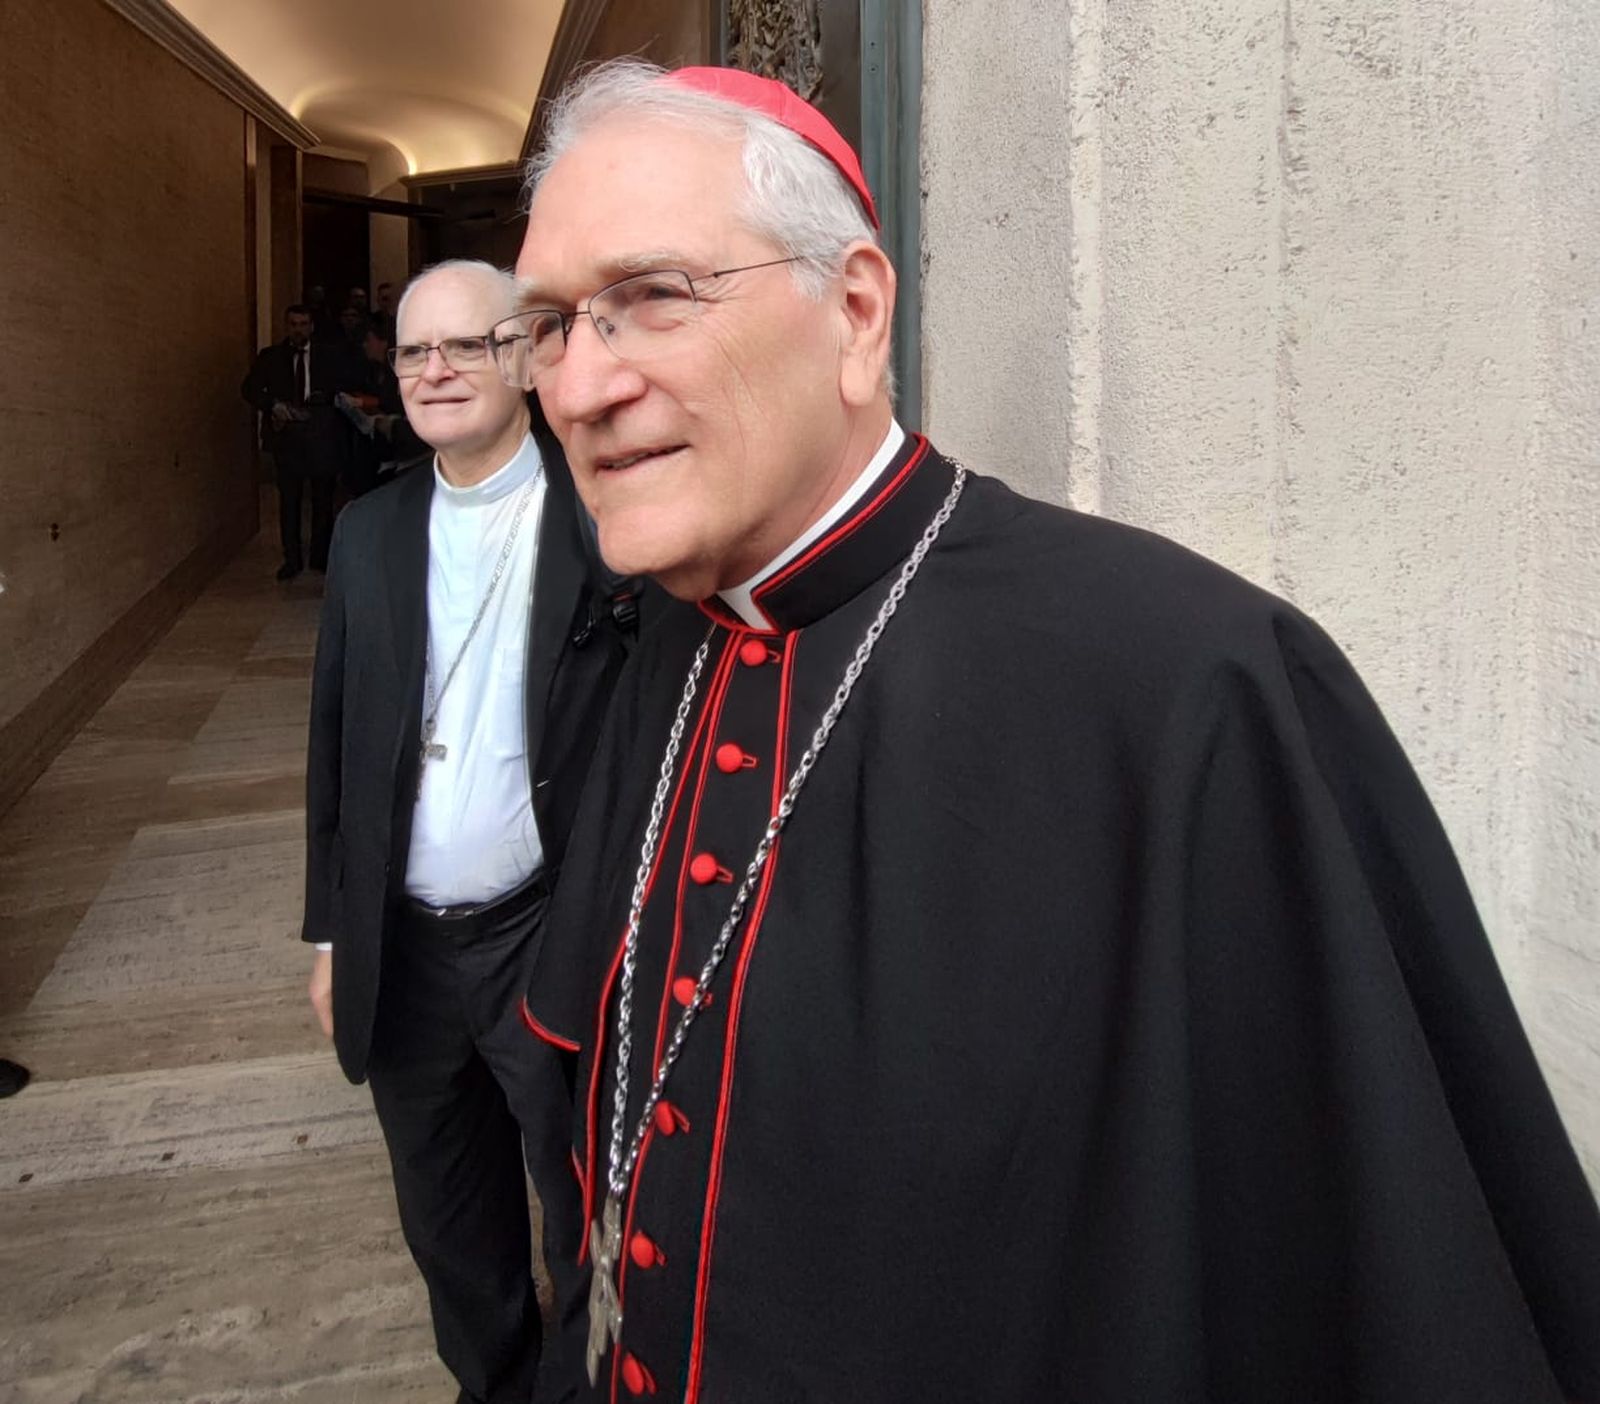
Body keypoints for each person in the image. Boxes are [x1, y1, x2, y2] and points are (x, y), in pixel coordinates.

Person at [503, 61, 1600, 1404]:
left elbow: (1359, 1287)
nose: (578, 385)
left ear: (854, 311)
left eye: (652, 297)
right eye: (550, 324)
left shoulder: (1194, 683)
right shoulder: (660, 633)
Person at [302, 259, 638, 1403]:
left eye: (465, 344)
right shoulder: (369, 532)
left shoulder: (600, 514)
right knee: (447, 1214)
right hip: (402, 944)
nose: (434, 370)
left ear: (523, 355)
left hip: (546, 932)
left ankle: (574, 1386)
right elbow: (336, 748)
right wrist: (330, 935)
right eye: (411, 351)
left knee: (574, 1195)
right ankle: (492, 1384)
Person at [241, 304, 360, 580]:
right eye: (293, 324)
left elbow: (345, 384)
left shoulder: (328, 356)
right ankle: (291, 558)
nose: (298, 329)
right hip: (287, 436)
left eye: (303, 323)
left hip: (321, 433)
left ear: (312, 326)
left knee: (322, 498)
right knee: (290, 500)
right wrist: (272, 405)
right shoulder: (271, 357)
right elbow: (249, 388)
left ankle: (320, 556)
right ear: (287, 326)